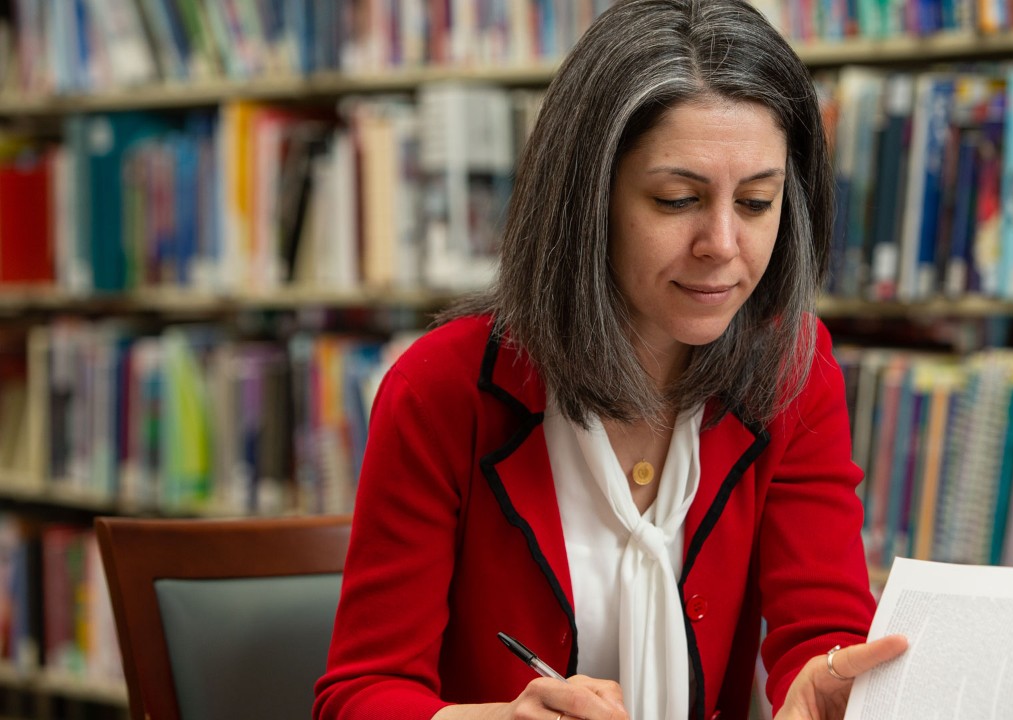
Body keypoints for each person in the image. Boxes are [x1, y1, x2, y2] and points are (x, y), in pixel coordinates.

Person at [313, 0, 907, 718]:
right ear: (587, 200)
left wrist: (832, 682)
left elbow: (821, 632)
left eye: (756, 203)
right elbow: (360, 694)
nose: (722, 243)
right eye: (677, 198)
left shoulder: (793, 370)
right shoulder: (440, 389)